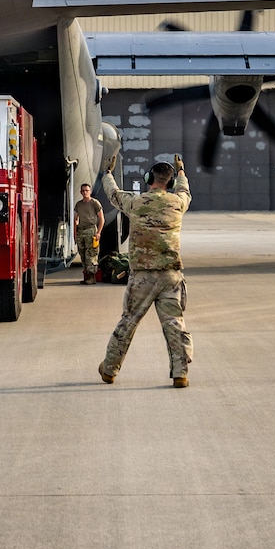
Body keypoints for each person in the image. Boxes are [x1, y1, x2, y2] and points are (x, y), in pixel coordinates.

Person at [96, 154, 193, 388]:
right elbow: (185, 192)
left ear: (149, 178)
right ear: (169, 183)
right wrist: (181, 173)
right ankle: (180, 374)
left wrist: (107, 174)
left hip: (142, 276)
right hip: (171, 275)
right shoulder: (177, 203)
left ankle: (109, 369)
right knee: (174, 324)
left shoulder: (136, 203)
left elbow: (113, 195)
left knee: (128, 322)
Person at [72, 182, 104, 284]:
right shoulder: (79, 204)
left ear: (90, 192)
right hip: (81, 230)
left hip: (91, 230)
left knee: (91, 255)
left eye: (87, 190)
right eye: (83, 191)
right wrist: (74, 233)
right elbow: (75, 219)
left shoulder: (95, 203)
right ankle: (86, 276)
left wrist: (98, 232)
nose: (85, 192)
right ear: (81, 192)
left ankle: (91, 277)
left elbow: (101, 219)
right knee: (82, 254)